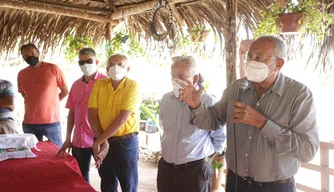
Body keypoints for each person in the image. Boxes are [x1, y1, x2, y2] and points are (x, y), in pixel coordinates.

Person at [177, 36, 319, 192]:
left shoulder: (299, 95)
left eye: (259, 57)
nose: (251, 62)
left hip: (275, 187)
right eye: (249, 57)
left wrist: (263, 123)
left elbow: (307, 150)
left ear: (278, 64)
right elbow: (212, 121)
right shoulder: (237, 88)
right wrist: (196, 105)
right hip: (236, 183)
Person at [157, 56, 226, 192]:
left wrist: (202, 159)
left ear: (194, 79)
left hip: (194, 172)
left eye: (181, 76)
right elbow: (165, 129)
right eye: (173, 75)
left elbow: (219, 138)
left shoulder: (207, 101)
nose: (176, 80)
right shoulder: (166, 99)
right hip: (166, 169)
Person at [88, 54, 141, 192]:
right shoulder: (99, 85)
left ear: (128, 69)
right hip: (102, 139)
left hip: (125, 143)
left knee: (128, 185)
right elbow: (92, 115)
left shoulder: (132, 86)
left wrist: (99, 141)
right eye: (111, 65)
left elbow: (122, 118)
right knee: (107, 183)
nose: (115, 68)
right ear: (106, 69)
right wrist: (103, 142)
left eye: (120, 65)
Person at [56, 48, 108, 182]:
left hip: (101, 139)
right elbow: (72, 112)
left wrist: (104, 140)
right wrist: (68, 138)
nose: (85, 65)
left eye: (89, 61)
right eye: (81, 62)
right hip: (80, 139)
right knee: (80, 176)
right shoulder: (75, 85)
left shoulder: (106, 83)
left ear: (96, 61)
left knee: (107, 178)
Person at [18, 43, 69, 147]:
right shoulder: (21, 74)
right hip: (29, 122)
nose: (30, 56)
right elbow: (24, 94)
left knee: (56, 152)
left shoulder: (53, 68)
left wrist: (51, 102)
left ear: (38, 52)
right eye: (26, 55)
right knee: (33, 153)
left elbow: (65, 91)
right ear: (23, 57)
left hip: (51, 121)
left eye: (33, 53)